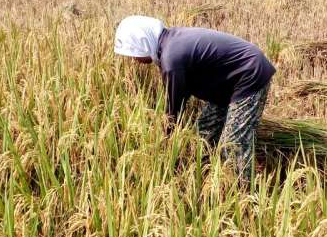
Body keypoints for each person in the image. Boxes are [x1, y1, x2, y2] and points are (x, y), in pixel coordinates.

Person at [114, 15, 276, 185]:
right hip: (226, 83)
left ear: (144, 42)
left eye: (134, 52)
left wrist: (166, 143)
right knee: (204, 132)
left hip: (249, 74)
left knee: (233, 144)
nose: (134, 60)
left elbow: (174, 110)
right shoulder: (170, 43)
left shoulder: (171, 59)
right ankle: (202, 174)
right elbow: (181, 95)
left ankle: (243, 194)